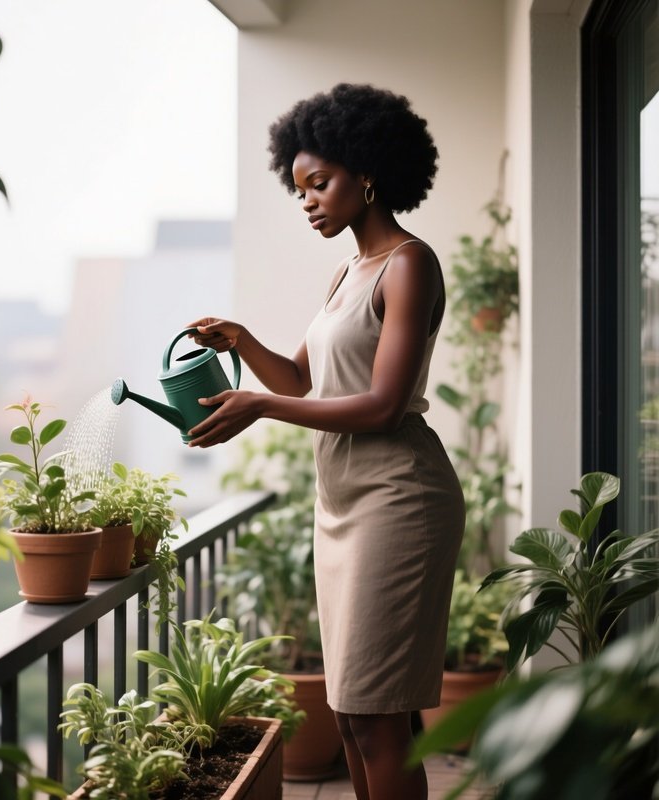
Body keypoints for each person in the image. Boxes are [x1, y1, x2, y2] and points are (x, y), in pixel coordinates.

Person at [186, 83, 465, 800]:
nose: (308, 200)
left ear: (367, 173)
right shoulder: (347, 270)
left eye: (321, 183)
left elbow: (380, 406)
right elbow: (307, 381)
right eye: (300, 188)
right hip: (341, 501)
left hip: (398, 499)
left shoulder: (410, 263)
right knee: (349, 717)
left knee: (376, 720)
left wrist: (260, 406)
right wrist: (242, 341)